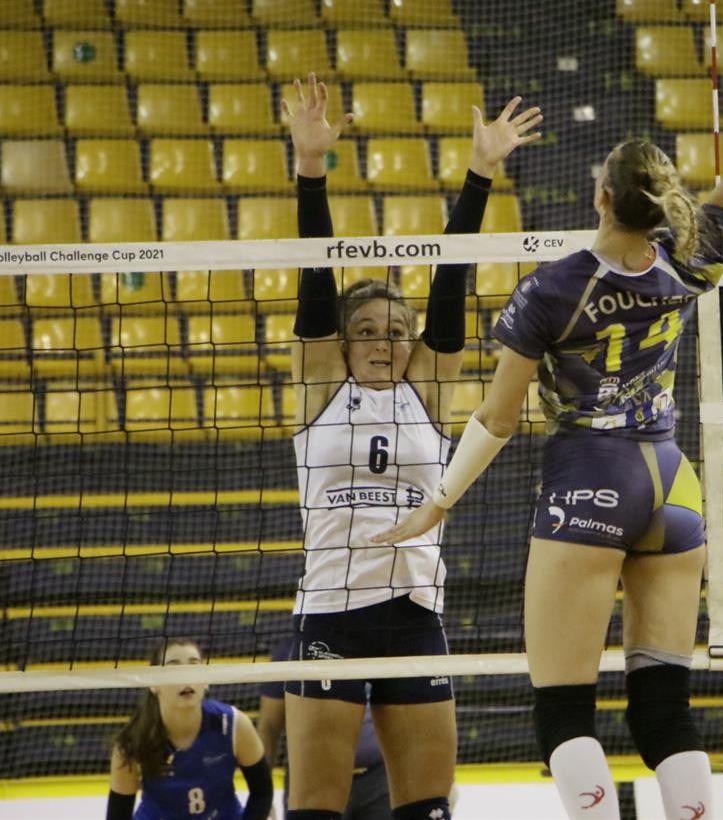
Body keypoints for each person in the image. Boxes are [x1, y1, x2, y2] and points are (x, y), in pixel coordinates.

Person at [376, 124, 723, 819]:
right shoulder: (693, 251)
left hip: (590, 478)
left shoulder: (552, 287)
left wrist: (439, 501)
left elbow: (497, 417)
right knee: (664, 713)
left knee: (563, 712)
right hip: (673, 484)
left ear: (601, 196)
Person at [279, 72, 542, 820]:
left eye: (397, 331)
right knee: (315, 809)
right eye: (366, 330)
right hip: (329, 611)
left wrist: (480, 172)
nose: (383, 342)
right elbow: (315, 281)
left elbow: (450, 286)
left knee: (426, 808)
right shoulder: (320, 385)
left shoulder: (425, 389)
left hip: (415, 612)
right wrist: (310, 168)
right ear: (341, 341)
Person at [107, 638, 273, 820]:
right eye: (174, 668)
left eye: (193, 666)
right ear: (153, 684)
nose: (185, 677)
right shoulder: (133, 742)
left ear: (206, 680)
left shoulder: (233, 724)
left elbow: (262, 792)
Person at [257, 639, 390, 820]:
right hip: (312, 778)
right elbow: (269, 727)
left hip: (378, 779)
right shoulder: (291, 651)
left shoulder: (382, 643)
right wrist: (263, 796)